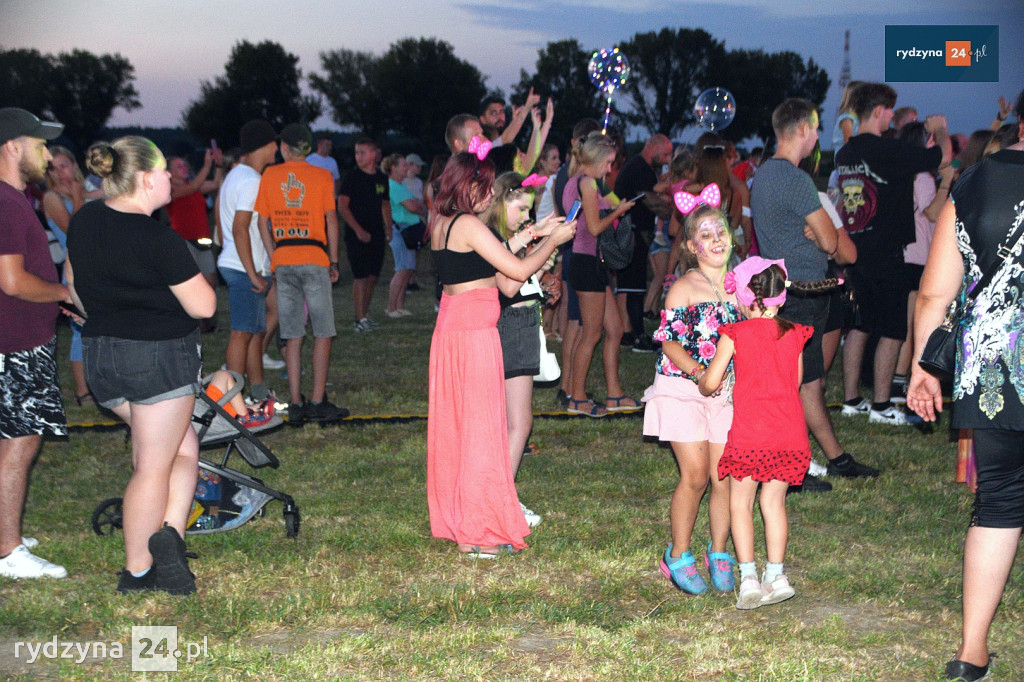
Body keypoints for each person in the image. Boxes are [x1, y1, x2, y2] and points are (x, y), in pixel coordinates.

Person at [906, 91, 1024, 682]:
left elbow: (934, 292)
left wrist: (925, 366)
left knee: (999, 499)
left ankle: (971, 651)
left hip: (994, 368)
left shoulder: (973, 183)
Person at [66, 136, 217, 594]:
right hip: (157, 359)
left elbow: (72, 284)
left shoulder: (85, 218)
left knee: (182, 446)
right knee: (154, 464)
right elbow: (205, 307)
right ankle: (138, 571)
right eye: (166, 172)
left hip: (101, 358)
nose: (173, 177)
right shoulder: (158, 237)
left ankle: (168, 536)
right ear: (147, 178)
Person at [427, 151, 575, 558]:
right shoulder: (471, 223)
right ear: (466, 184)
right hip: (473, 337)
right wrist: (551, 241)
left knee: (462, 431)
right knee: (479, 435)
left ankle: (466, 520)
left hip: (453, 334)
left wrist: (531, 233)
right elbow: (515, 271)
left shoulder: (444, 222)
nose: (491, 193)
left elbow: (479, 261)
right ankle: (477, 533)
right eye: (486, 185)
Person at [700, 258, 838, 609]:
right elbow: (794, 384)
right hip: (788, 433)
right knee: (773, 502)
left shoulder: (736, 334)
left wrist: (703, 381)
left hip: (751, 432)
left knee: (740, 502)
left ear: (745, 297)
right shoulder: (795, 334)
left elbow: (711, 382)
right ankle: (776, 575)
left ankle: (748, 577)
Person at [751, 98, 875, 489]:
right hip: (804, 293)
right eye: (817, 128)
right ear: (803, 129)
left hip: (782, 290)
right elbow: (833, 244)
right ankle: (790, 469)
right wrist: (822, 234)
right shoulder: (796, 179)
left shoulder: (763, 176)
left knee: (806, 383)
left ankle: (836, 459)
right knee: (794, 384)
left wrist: (817, 232)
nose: (819, 136)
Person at [836, 83, 951, 426]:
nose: (891, 117)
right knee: (892, 329)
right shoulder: (885, 150)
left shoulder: (846, 153)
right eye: (889, 111)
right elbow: (941, 158)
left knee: (860, 325)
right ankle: (882, 405)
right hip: (888, 250)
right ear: (878, 111)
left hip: (859, 248)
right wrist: (940, 129)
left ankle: (851, 399)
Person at [643, 201, 738, 595]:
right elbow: (669, 344)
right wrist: (701, 375)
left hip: (726, 394)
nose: (716, 240)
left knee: (724, 476)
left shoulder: (742, 287)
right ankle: (677, 555)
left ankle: (718, 552)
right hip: (682, 389)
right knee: (696, 476)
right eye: (705, 235)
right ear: (690, 247)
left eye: (721, 232)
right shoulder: (683, 287)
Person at [0, 107, 70, 580]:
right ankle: (9, 553)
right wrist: (63, 292)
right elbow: (11, 280)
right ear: (12, 146)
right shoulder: (6, 201)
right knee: (20, 441)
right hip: (17, 342)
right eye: (40, 144)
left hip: (18, 336)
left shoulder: (14, 199)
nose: (47, 153)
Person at [480, 172, 565, 529]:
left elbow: (519, 282)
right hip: (511, 328)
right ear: (501, 202)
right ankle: (502, 498)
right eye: (520, 209)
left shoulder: (500, 239)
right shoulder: (494, 238)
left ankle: (502, 495)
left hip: (520, 324)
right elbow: (509, 285)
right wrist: (545, 246)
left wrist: (542, 282)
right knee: (518, 422)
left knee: (512, 421)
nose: (525, 218)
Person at [256, 123, 346, 422]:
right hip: (314, 257)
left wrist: (274, 258)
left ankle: (296, 403)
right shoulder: (321, 176)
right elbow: (331, 219)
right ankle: (318, 401)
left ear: (283, 147)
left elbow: (262, 223)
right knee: (323, 331)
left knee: (292, 334)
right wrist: (333, 261)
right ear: (308, 148)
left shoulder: (270, 175)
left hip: (285, 258)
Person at [562, 132, 638, 417]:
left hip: (592, 264)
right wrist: (617, 211)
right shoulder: (585, 184)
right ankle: (577, 398)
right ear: (594, 160)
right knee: (591, 333)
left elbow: (612, 203)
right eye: (607, 163)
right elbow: (594, 228)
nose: (610, 168)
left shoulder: (586, 182)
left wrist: (617, 204)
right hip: (586, 262)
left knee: (615, 329)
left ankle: (615, 394)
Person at [217, 120, 280, 403]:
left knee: (254, 333)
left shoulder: (236, 175)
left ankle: (257, 392)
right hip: (244, 268)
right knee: (242, 334)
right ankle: (231, 399)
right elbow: (240, 227)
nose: (277, 149)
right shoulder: (252, 181)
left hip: (239, 264)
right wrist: (254, 274)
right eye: (274, 143)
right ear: (265, 146)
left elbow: (224, 224)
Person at [892, 122, 955, 401]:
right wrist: (947, 184)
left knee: (903, 323)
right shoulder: (923, 177)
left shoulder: (902, 172)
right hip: (918, 256)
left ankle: (897, 379)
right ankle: (899, 382)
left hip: (904, 253)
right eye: (930, 141)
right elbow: (932, 213)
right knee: (911, 324)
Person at [614, 134, 675, 353]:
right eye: (666, 154)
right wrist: (673, 212)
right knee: (634, 286)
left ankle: (629, 332)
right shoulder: (638, 168)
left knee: (631, 286)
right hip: (631, 233)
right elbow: (648, 199)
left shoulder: (644, 169)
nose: (667, 159)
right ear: (653, 147)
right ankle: (638, 335)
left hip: (635, 233)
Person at [41, 145, 92, 405]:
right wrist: (79, 198)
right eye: (54, 167)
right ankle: (82, 392)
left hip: (98, 268)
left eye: (65, 165)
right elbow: (75, 233)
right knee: (80, 331)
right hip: (75, 273)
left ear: (74, 164)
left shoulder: (87, 189)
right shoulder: (52, 197)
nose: (61, 172)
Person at [337, 137, 390, 332]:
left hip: (376, 233)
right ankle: (359, 319)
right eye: (357, 153)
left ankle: (365, 315)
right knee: (360, 276)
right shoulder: (352, 177)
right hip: (356, 235)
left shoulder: (381, 178)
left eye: (363, 152)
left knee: (372, 277)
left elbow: (385, 204)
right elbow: (342, 206)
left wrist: (389, 228)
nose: (358, 157)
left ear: (375, 154)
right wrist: (358, 230)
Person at [382, 153, 426, 318]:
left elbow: (415, 204)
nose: (407, 168)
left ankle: (399, 306)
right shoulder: (393, 186)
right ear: (393, 168)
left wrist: (417, 205)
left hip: (407, 230)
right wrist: (418, 206)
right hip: (400, 231)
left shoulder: (401, 185)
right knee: (402, 269)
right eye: (403, 165)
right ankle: (392, 308)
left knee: (407, 269)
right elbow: (413, 206)